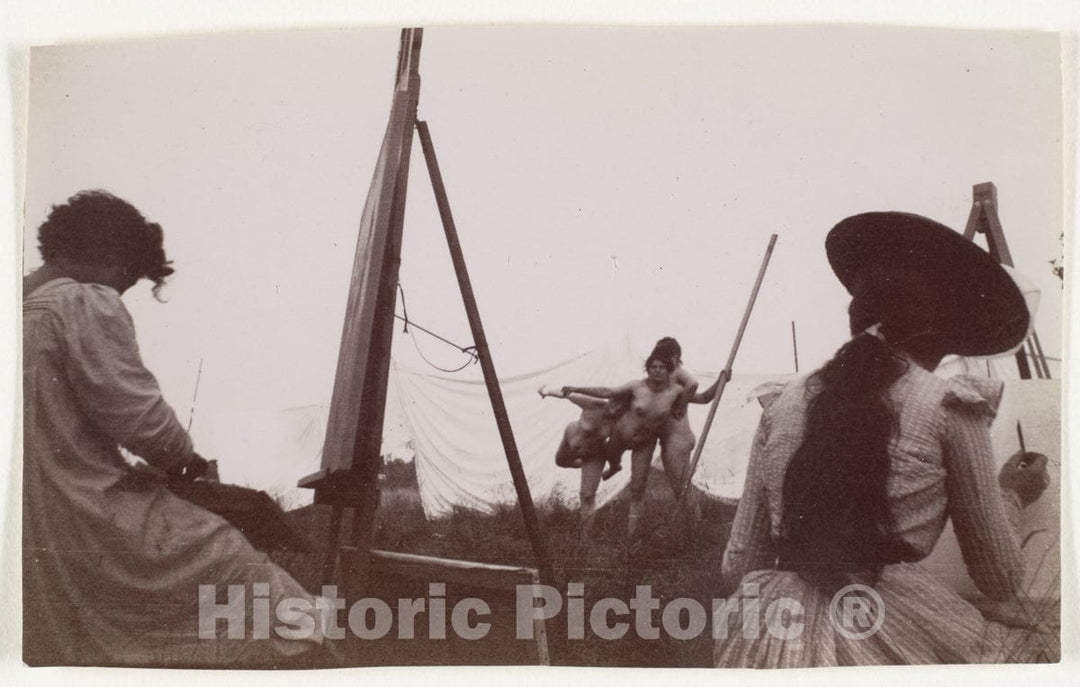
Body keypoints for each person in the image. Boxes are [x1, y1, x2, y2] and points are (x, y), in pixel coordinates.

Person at [714, 212, 1055, 667]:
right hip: (888, 621)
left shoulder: (785, 402)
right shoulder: (950, 407)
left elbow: (739, 564)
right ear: (945, 331)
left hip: (774, 629)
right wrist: (1011, 495)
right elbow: (1000, 579)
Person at [22, 191, 328, 666]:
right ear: (108, 256)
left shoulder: (20, 306)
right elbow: (138, 416)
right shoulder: (80, 301)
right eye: (128, 276)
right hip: (86, 509)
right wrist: (189, 462)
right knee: (254, 582)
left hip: (30, 520)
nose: (124, 290)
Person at [561, 351, 684, 538]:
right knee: (610, 458)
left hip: (644, 442)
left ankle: (631, 537)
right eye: (653, 367)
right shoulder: (636, 386)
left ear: (668, 370)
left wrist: (720, 382)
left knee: (638, 488)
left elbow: (700, 396)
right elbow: (607, 392)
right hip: (621, 436)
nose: (657, 371)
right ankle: (613, 467)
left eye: (661, 367)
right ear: (648, 369)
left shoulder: (675, 392)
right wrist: (577, 388)